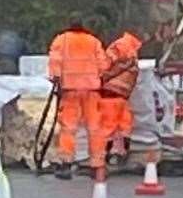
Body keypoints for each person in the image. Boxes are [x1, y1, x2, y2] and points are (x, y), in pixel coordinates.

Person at [47, 13, 108, 180]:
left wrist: (56, 79)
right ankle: (97, 166)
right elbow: (103, 65)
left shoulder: (61, 40)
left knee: (68, 127)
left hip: (70, 89)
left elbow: (55, 62)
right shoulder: (93, 41)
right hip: (92, 90)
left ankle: (66, 164)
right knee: (95, 128)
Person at [100, 29, 145, 162]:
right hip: (113, 93)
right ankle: (104, 155)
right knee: (111, 124)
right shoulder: (124, 45)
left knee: (123, 124)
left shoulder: (129, 47)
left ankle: (119, 152)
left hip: (119, 94)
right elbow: (105, 64)